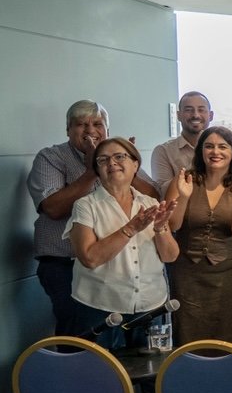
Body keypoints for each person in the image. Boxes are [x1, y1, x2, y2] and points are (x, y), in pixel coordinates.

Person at [29, 100, 158, 337]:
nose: (90, 131)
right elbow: (53, 208)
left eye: (97, 124)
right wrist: (91, 171)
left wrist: (130, 165)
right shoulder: (50, 157)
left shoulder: (118, 156)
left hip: (119, 267)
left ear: (107, 129)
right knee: (80, 337)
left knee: (123, 340)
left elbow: (153, 198)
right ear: (68, 130)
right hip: (64, 264)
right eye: (81, 124)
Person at [66, 137, 178, 349]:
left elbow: (170, 256)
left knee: (151, 375)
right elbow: (90, 258)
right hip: (100, 307)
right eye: (103, 160)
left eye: (120, 157)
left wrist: (160, 228)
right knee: (102, 376)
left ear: (135, 164)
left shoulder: (150, 203)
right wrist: (131, 229)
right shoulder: (85, 206)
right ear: (97, 169)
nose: (112, 163)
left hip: (150, 306)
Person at [163, 126, 232, 346]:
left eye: (223, 146)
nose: (216, 152)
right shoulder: (185, 179)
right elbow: (172, 224)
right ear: (201, 151)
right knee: (187, 330)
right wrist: (184, 197)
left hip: (228, 272)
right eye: (209, 146)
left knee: (227, 330)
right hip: (187, 272)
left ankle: (227, 378)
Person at [151, 91, 213, 195]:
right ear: (178, 115)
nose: (196, 115)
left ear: (211, 115)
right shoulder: (163, 152)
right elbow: (163, 194)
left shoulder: (223, 150)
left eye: (201, 110)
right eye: (189, 110)